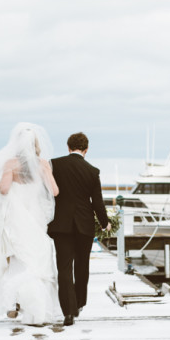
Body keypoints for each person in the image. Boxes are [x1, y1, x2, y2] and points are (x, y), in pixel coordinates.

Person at [0, 123, 63, 325]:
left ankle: (12, 302)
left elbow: (4, 189)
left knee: (18, 260)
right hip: (37, 218)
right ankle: (35, 309)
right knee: (37, 261)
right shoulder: (43, 165)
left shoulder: (10, 164)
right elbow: (55, 191)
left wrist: (0, 183)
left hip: (17, 218)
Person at [48, 131, 109, 326]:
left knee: (64, 267)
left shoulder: (55, 164)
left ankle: (68, 311)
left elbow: (48, 194)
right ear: (86, 150)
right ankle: (80, 303)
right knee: (82, 266)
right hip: (84, 224)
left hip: (61, 224)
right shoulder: (92, 171)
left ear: (68, 147)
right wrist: (104, 221)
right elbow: (97, 202)